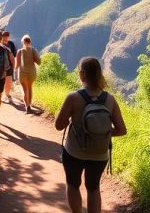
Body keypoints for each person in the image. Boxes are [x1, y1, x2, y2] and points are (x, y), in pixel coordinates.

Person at [54, 57, 127, 213]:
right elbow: (121, 130)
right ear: (99, 74)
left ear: (82, 74)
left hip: (74, 151)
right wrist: (101, 134)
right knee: (93, 188)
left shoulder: (73, 97)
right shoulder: (110, 99)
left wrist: (72, 122)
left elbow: (59, 126)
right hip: (99, 154)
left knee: (73, 184)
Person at [15, 34, 41, 112]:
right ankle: (29, 104)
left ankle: (27, 106)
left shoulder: (20, 51)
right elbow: (39, 62)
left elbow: (17, 65)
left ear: (23, 42)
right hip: (32, 73)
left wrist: (14, 74)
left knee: (25, 90)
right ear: (30, 42)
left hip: (22, 73)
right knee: (30, 88)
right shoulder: (33, 50)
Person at [1, 30, 18, 103]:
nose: (6, 37)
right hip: (0, 66)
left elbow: (14, 55)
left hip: (9, 66)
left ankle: (7, 94)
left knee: (8, 81)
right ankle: (0, 95)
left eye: (7, 36)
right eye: (4, 36)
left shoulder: (11, 44)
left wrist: (13, 65)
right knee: (1, 81)